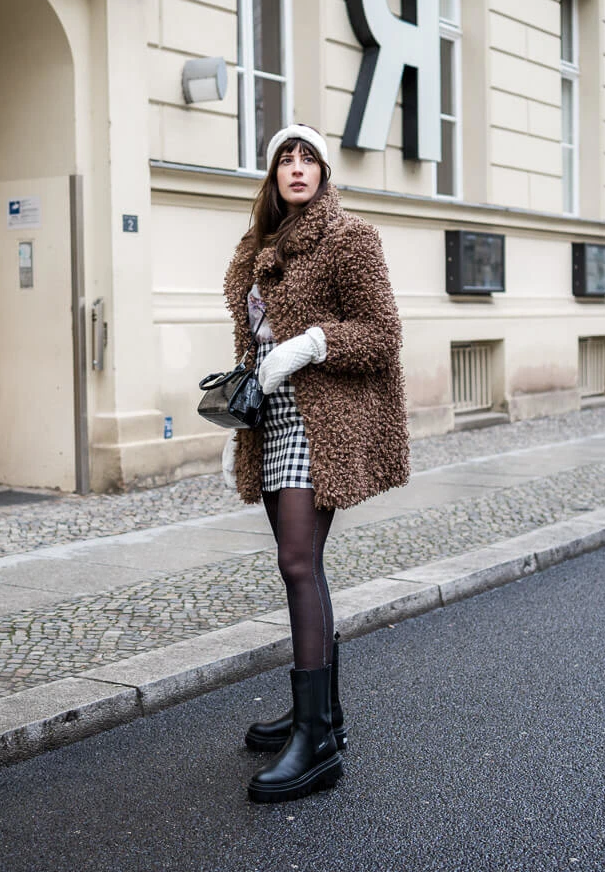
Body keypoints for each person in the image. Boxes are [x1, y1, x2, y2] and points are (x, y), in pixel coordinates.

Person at [220, 123, 410, 803]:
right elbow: (255, 343)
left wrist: (311, 345)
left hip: (318, 420)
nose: (296, 168)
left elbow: (383, 333)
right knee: (305, 565)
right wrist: (237, 414)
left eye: (308, 159)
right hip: (271, 418)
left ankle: (318, 744)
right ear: (272, 176)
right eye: (284, 160)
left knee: (297, 563)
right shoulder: (259, 248)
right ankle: (319, 716)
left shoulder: (350, 237)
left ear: (324, 173)